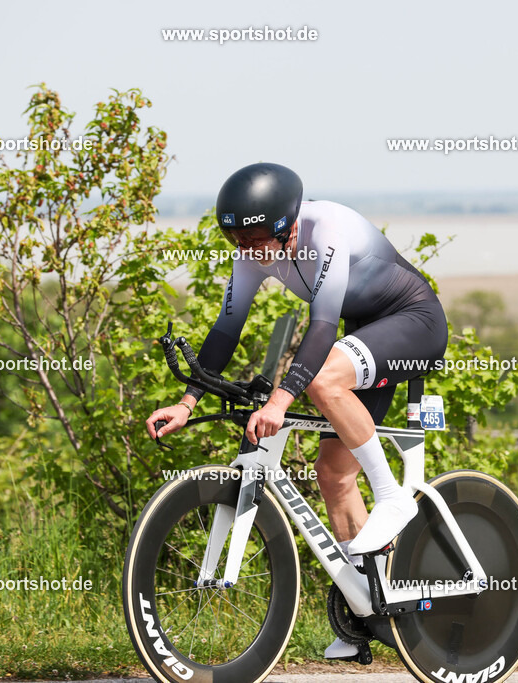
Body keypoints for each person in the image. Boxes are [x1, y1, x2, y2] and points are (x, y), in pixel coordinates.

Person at [145, 162, 448, 660]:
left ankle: (393, 496)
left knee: (323, 380)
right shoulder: (251, 256)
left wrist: (281, 400)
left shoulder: (324, 229)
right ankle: (370, 611)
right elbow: (224, 333)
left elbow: (322, 327)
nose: (250, 249)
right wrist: (186, 401)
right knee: (333, 476)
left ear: (287, 226)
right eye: (238, 239)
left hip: (412, 320)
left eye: (259, 236)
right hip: (364, 331)